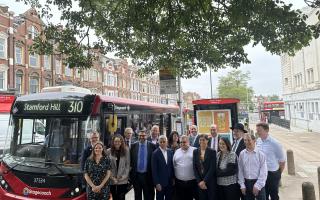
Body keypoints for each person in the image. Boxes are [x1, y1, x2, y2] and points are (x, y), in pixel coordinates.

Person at [256, 122, 285, 200]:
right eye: (257, 130)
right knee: (264, 195)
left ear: (267, 130)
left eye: (259, 131)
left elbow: (282, 161)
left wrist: (278, 174)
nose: (258, 133)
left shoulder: (275, 143)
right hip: (261, 173)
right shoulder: (258, 141)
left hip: (272, 174)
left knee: (274, 196)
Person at [238, 133, 268, 200]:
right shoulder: (242, 154)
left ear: (254, 140)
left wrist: (258, 185)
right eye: (245, 140)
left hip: (258, 182)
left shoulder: (261, 154)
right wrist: (242, 185)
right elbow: (240, 170)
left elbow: (264, 172)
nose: (246, 142)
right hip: (246, 183)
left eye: (249, 140)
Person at [130, 129, 156, 200]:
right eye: (140, 136)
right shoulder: (133, 146)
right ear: (138, 136)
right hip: (136, 176)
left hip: (148, 176)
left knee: (148, 196)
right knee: (137, 196)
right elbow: (131, 161)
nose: (142, 137)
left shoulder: (152, 146)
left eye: (143, 136)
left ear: (147, 136)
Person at [173, 135, 199, 200]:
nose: (182, 144)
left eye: (184, 142)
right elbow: (174, 164)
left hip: (192, 183)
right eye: (181, 142)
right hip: (179, 183)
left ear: (188, 142)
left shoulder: (195, 150)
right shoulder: (177, 151)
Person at [193, 134, 217, 200]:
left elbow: (212, 168)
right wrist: (199, 181)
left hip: (210, 181)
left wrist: (204, 181)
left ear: (207, 141)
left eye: (203, 140)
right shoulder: (195, 151)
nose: (201, 141)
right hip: (200, 182)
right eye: (200, 140)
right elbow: (195, 168)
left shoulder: (212, 152)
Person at [107, 134, 130, 200]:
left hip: (122, 179)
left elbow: (127, 165)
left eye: (119, 141)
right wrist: (112, 178)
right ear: (113, 142)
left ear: (122, 142)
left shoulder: (126, 151)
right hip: (112, 179)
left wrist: (123, 177)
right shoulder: (108, 151)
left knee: (121, 197)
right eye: (115, 141)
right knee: (114, 197)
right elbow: (107, 167)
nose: (117, 143)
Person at [152, 135, 174, 200]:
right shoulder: (155, 153)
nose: (162, 143)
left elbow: (171, 166)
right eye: (161, 142)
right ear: (158, 142)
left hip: (169, 182)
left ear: (167, 142)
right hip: (160, 183)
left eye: (164, 142)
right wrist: (157, 183)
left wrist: (173, 179)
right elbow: (154, 170)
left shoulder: (170, 152)